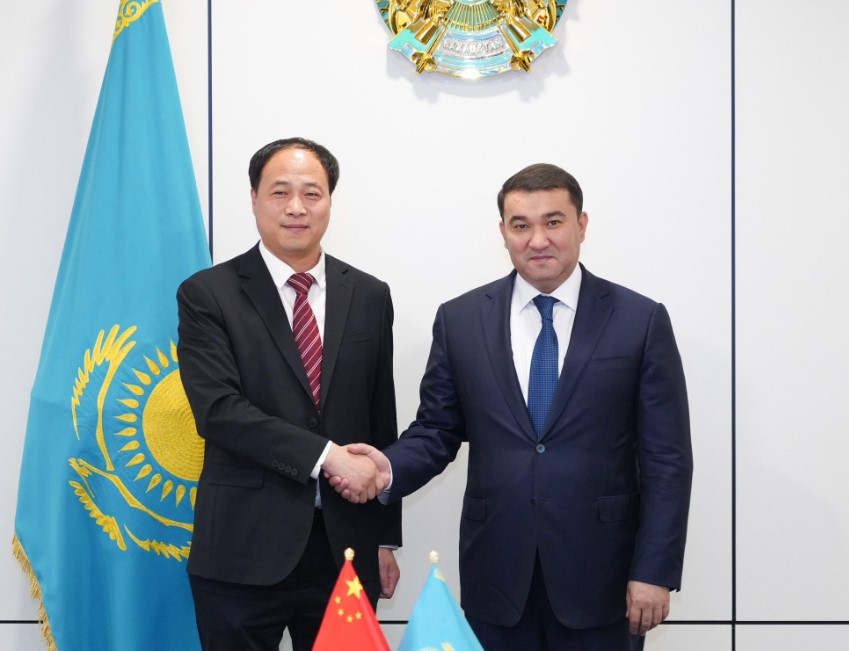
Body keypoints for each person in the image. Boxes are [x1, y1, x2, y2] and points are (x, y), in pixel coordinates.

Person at [332, 163, 693, 650]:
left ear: (582, 225)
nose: (537, 240)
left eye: (553, 222)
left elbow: (667, 459)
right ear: (503, 232)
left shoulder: (639, 320)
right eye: (521, 225)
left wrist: (654, 569)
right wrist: (387, 468)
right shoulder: (460, 320)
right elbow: (437, 430)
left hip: (604, 579)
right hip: (497, 576)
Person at [177, 138, 401, 651]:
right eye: (280, 192)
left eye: (311, 193)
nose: (296, 207)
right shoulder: (207, 294)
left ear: (329, 201)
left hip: (346, 547)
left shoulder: (369, 295)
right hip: (241, 550)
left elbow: (379, 420)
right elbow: (219, 411)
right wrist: (327, 457)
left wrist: (385, 536)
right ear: (254, 199)